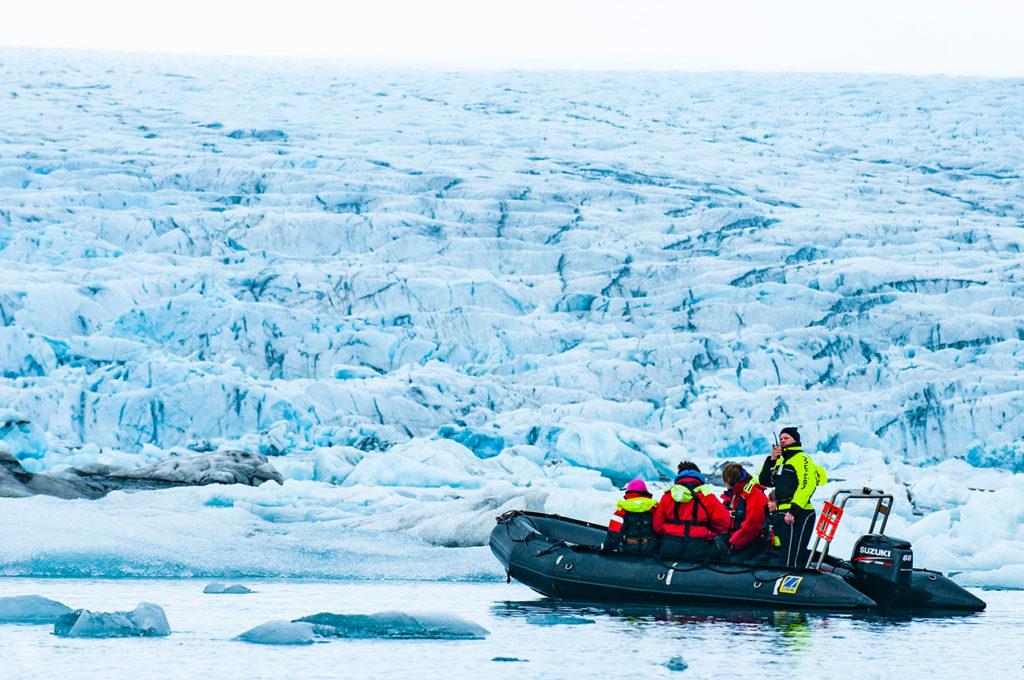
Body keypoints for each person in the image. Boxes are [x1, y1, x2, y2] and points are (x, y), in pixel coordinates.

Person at [758, 427, 827, 568]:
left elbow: (807, 485)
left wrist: (793, 510)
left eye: (786, 438)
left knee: (792, 554)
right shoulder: (780, 462)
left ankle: (792, 580)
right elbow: (764, 480)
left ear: (795, 440)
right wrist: (771, 460)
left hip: (800, 512)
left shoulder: (802, 459)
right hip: (782, 512)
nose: (782, 440)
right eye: (781, 438)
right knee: (784, 553)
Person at [653, 461, 732, 561]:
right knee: (723, 550)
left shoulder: (667, 496)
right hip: (699, 550)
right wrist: (708, 532)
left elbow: (657, 526)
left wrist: (670, 530)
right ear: (698, 476)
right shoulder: (707, 497)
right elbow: (724, 523)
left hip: (669, 548)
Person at [720, 462, 770, 562]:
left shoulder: (754, 494)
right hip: (735, 543)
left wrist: (733, 544)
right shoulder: (734, 495)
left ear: (729, 480)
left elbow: (752, 524)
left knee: (731, 563)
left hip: (751, 544)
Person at [602, 479, 659, 556]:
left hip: (629, 551)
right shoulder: (654, 508)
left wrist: (606, 548)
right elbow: (660, 528)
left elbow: (614, 534)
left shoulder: (621, 511)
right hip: (651, 551)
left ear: (628, 492)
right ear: (645, 492)